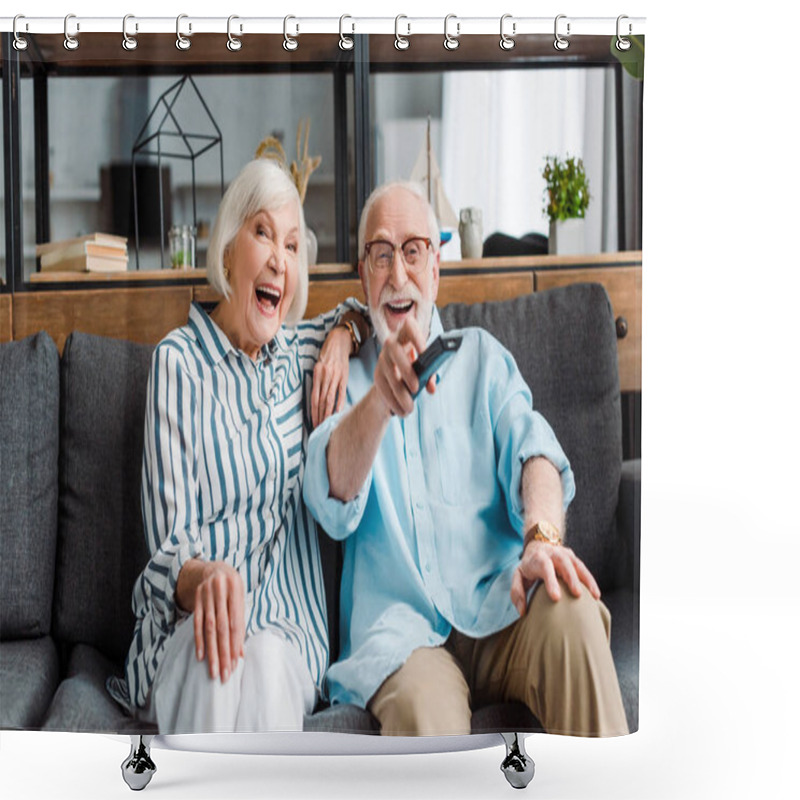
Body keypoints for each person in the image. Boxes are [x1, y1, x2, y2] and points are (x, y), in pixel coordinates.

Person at [303, 181, 628, 737]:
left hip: (505, 604)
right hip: (402, 640)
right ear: (363, 275)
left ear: (436, 269)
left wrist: (542, 539)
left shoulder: (482, 357)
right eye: (382, 254)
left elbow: (537, 454)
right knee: (423, 717)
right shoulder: (342, 377)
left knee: (571, 611)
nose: (398, 274)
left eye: (413, 251)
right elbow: (332, 489)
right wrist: (378, 399)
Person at [108, 159, 368, 734]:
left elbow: (378, 305)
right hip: (190, 630)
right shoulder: (178, 363)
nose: (280, 257)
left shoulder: (302, 349)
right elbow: (167, 546)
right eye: (264, 233)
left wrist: (346, 334)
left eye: (294, 245)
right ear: (228, 249)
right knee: (216, 659)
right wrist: (205, 578)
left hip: (286, 631)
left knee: (268, 664)